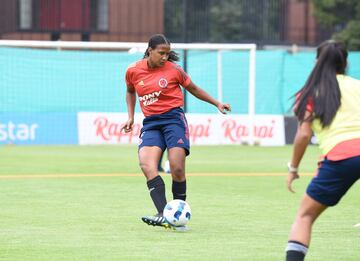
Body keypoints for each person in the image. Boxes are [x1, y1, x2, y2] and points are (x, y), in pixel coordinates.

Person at [122, 34, 231, 229]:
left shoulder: (174, 70)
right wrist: (130, 116)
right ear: (149, 51)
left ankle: (179, 217)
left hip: (174, 120)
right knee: (147, 165)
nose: (165, 57)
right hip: (151, 123)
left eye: (167, 53)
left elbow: (194, 89)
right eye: (161, 53)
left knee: (177, 168)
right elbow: (130, 91)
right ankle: (164, 215)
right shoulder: (133, 70)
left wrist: (217, 103)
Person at [285, 40, 360, 260]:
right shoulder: (357, 85)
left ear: (317, 61)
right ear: (345, 63)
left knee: (305, 216)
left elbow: (304, 135)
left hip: (341, 157)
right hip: (341, 154)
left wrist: (293, 168)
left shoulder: (310, 93)